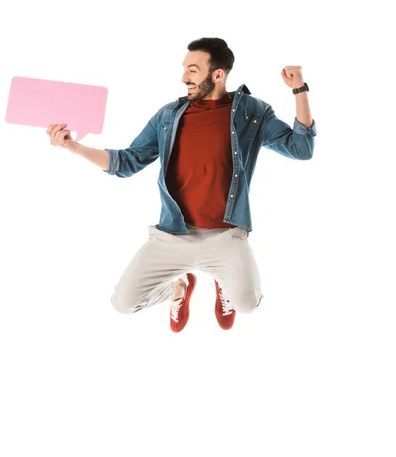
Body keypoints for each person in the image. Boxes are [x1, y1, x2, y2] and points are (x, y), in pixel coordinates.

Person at [46, 37, 317, 332]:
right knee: (122, 304)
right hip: (173, 236)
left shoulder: (253, 112)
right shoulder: (167, 116)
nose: (184, 77)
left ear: (218, 74)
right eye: (185, 69)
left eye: (192, 70)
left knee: (248, 304)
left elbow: (301, 148)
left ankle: (224, 282)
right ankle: (178, 289)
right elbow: (127, 162)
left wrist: (299, 89)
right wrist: (75, 148)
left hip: (225, 236)